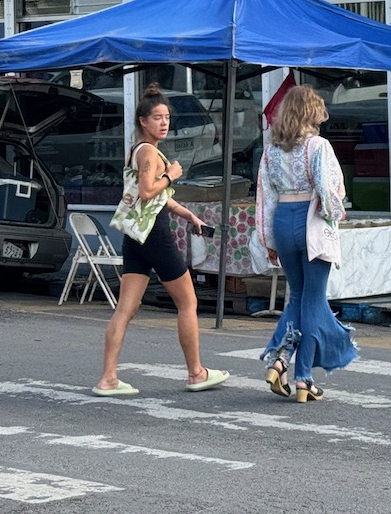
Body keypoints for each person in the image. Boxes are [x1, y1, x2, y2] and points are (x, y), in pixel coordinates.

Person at [92, 83, 229, 396]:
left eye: (167, 117)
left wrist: (189, 215)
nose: (164, 123)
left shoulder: (136, 151)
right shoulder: (151, 153)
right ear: (143, 121)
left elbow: (157, 199)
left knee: (126, 308)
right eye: (157, 117)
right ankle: (196, 372)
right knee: (188, 302)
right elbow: (147, 192)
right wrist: (172, 175)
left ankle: (108, 378)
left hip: (135, 235)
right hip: (154, 234)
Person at [254, 84, 358, 403]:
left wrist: (268, 238)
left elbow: (265, 196)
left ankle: (280, 360)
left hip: (282, 219)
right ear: (311, 113)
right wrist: (334, 213)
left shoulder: (272, 149)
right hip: (310, 219)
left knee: (297, 297)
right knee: (313, 299)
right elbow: (327, 190)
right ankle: (304, 378)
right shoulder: (318, 145)